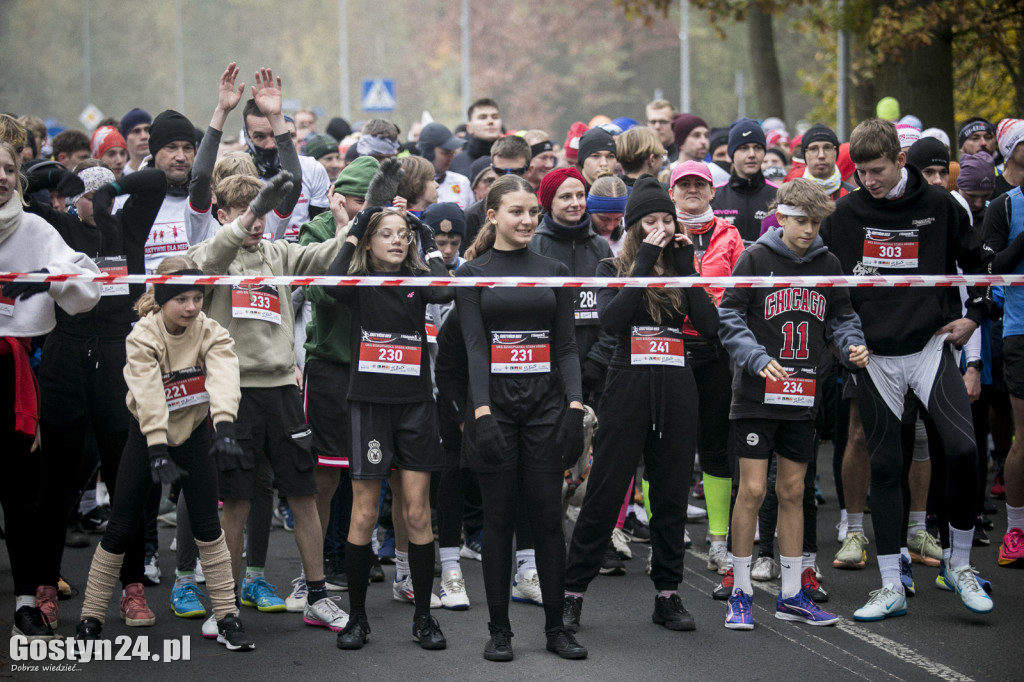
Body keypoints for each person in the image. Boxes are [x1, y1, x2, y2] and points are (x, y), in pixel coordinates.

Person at [820, 118, 994, 621]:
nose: (868, 180)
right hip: (873, 357)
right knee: (888, 466)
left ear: (900, 160)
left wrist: (973, 316)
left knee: (962, 449)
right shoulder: (845, 213)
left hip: (928, 347)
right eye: (861, 172)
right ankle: (891, 584)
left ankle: (959, 565)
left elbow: (979, 263)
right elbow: (823, 280)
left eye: (876, 170)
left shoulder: (941, 205)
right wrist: (841, 340)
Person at [188, 171, 353, 637]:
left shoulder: (278, 254)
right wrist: (246, 218)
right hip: (233, 395)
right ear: (223, 215)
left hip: (283, 391)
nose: (257, 222)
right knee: (236, 503)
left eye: (262, 213)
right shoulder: (213, 255)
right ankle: (225, 608)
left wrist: (349, 227)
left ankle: (317, 596)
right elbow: (211, 256)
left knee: (302, 495)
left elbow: (326, 256)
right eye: (247, 212)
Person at [562, 175, 719, 634]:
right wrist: (644, 261)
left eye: (665, 220)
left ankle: (668, 595)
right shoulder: (611, 266)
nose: (660, 228)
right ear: (633, 226)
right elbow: (610, 321)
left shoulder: (681, 265)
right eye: (649, 221)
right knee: (607, 491)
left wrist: (687, 267)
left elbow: (709, 325)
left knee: (669, 497)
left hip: (676, 387)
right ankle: (572, 594)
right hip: (627, 386)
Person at [72, 254, 254, 651]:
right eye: (181, 299)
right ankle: (90, 616)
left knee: (209, 527)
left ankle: (227, 616)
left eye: (197, 298)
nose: (191, 307)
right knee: (120, 527)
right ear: (162, 299)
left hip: (195, 436)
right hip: (145, 438)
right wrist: (156, 447)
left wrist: (224, 426)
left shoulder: (210, 330)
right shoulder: (142, 335)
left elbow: (225, 371)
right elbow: (148, 392)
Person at [718, 178, 868, 630]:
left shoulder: (828, 261)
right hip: (755, 395)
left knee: (794, 491)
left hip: (802, 394)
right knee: (753, 490)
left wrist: (852, 345)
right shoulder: (755, 257)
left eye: (816, 222)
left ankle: (790, 594)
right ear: (780, 217)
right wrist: (755, 357)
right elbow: (728, 313)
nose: (809, 230)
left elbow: (842, 317)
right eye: (801, 221)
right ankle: (740, 592)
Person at [456, 174, 587, 662]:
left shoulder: (552, 268)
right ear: (492, 216)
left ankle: (557, 628)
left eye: (533, 211)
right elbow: (472, 347)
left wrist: (574, 406)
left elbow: (568, 345)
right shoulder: (472, 273)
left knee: (548, 519)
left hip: (546, 409)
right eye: (517, 211)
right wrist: (482, 412)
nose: (528, 219)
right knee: (499, 519)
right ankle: (499, 631)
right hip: (495, 410)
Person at [320, 205, 453, 651]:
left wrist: (426, 235)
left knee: (416, 512)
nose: (397, 241)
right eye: (387, 234)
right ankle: (357, 619)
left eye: (403, 234)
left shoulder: (418, 279)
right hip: (370, 407)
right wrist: (358, 227)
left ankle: (423, 618)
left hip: (415, 407)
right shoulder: (359, 283)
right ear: (371, 243)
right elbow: (331, 284)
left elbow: (443, 288)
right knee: (364, 512)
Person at [0, 140, 101, 640]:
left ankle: (25, 600)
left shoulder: (34, 228)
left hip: (16, 374)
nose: (0, 175)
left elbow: (87, 283)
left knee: (20, 498)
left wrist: (47, 278)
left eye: (8, 168)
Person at [982, 153, 1024, 568]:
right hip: (1020, 330)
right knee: (1021, 438)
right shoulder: (1006, 205)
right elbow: (992, 268)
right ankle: (1015, 529)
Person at [712, 118, 777, 243]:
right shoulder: (715, 197)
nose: (752, 154)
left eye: (757, 147)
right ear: (731, 154)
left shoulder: (779, 195)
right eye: (744, 148)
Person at [416, 122, 470, 209]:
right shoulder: (410, 185)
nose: (451, 158)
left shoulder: (462, 182)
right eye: (446, 153)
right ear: (428, 153)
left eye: (453, 153)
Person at [450, 98, 502, 177]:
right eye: (482, 117)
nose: (490, 121)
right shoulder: (454, 164)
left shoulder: (513, 161)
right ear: (469, 128)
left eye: (495, 117)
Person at [587, 175, 628, 255]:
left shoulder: (629, 235)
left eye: (617, 219)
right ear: (589, 212)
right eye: (604, 219)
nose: (610, 227)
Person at [119, 109, 152, 175]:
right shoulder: (119, 176)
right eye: (136, 131)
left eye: (147, 129)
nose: (144, 136)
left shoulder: (165, 174)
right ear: (124, 139)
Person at [645, 99, 678, 165]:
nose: (657, 127)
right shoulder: (639, 156)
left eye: (663, 122)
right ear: (647, 124)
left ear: (675, 123)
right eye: (653, 122)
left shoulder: (685, 157)